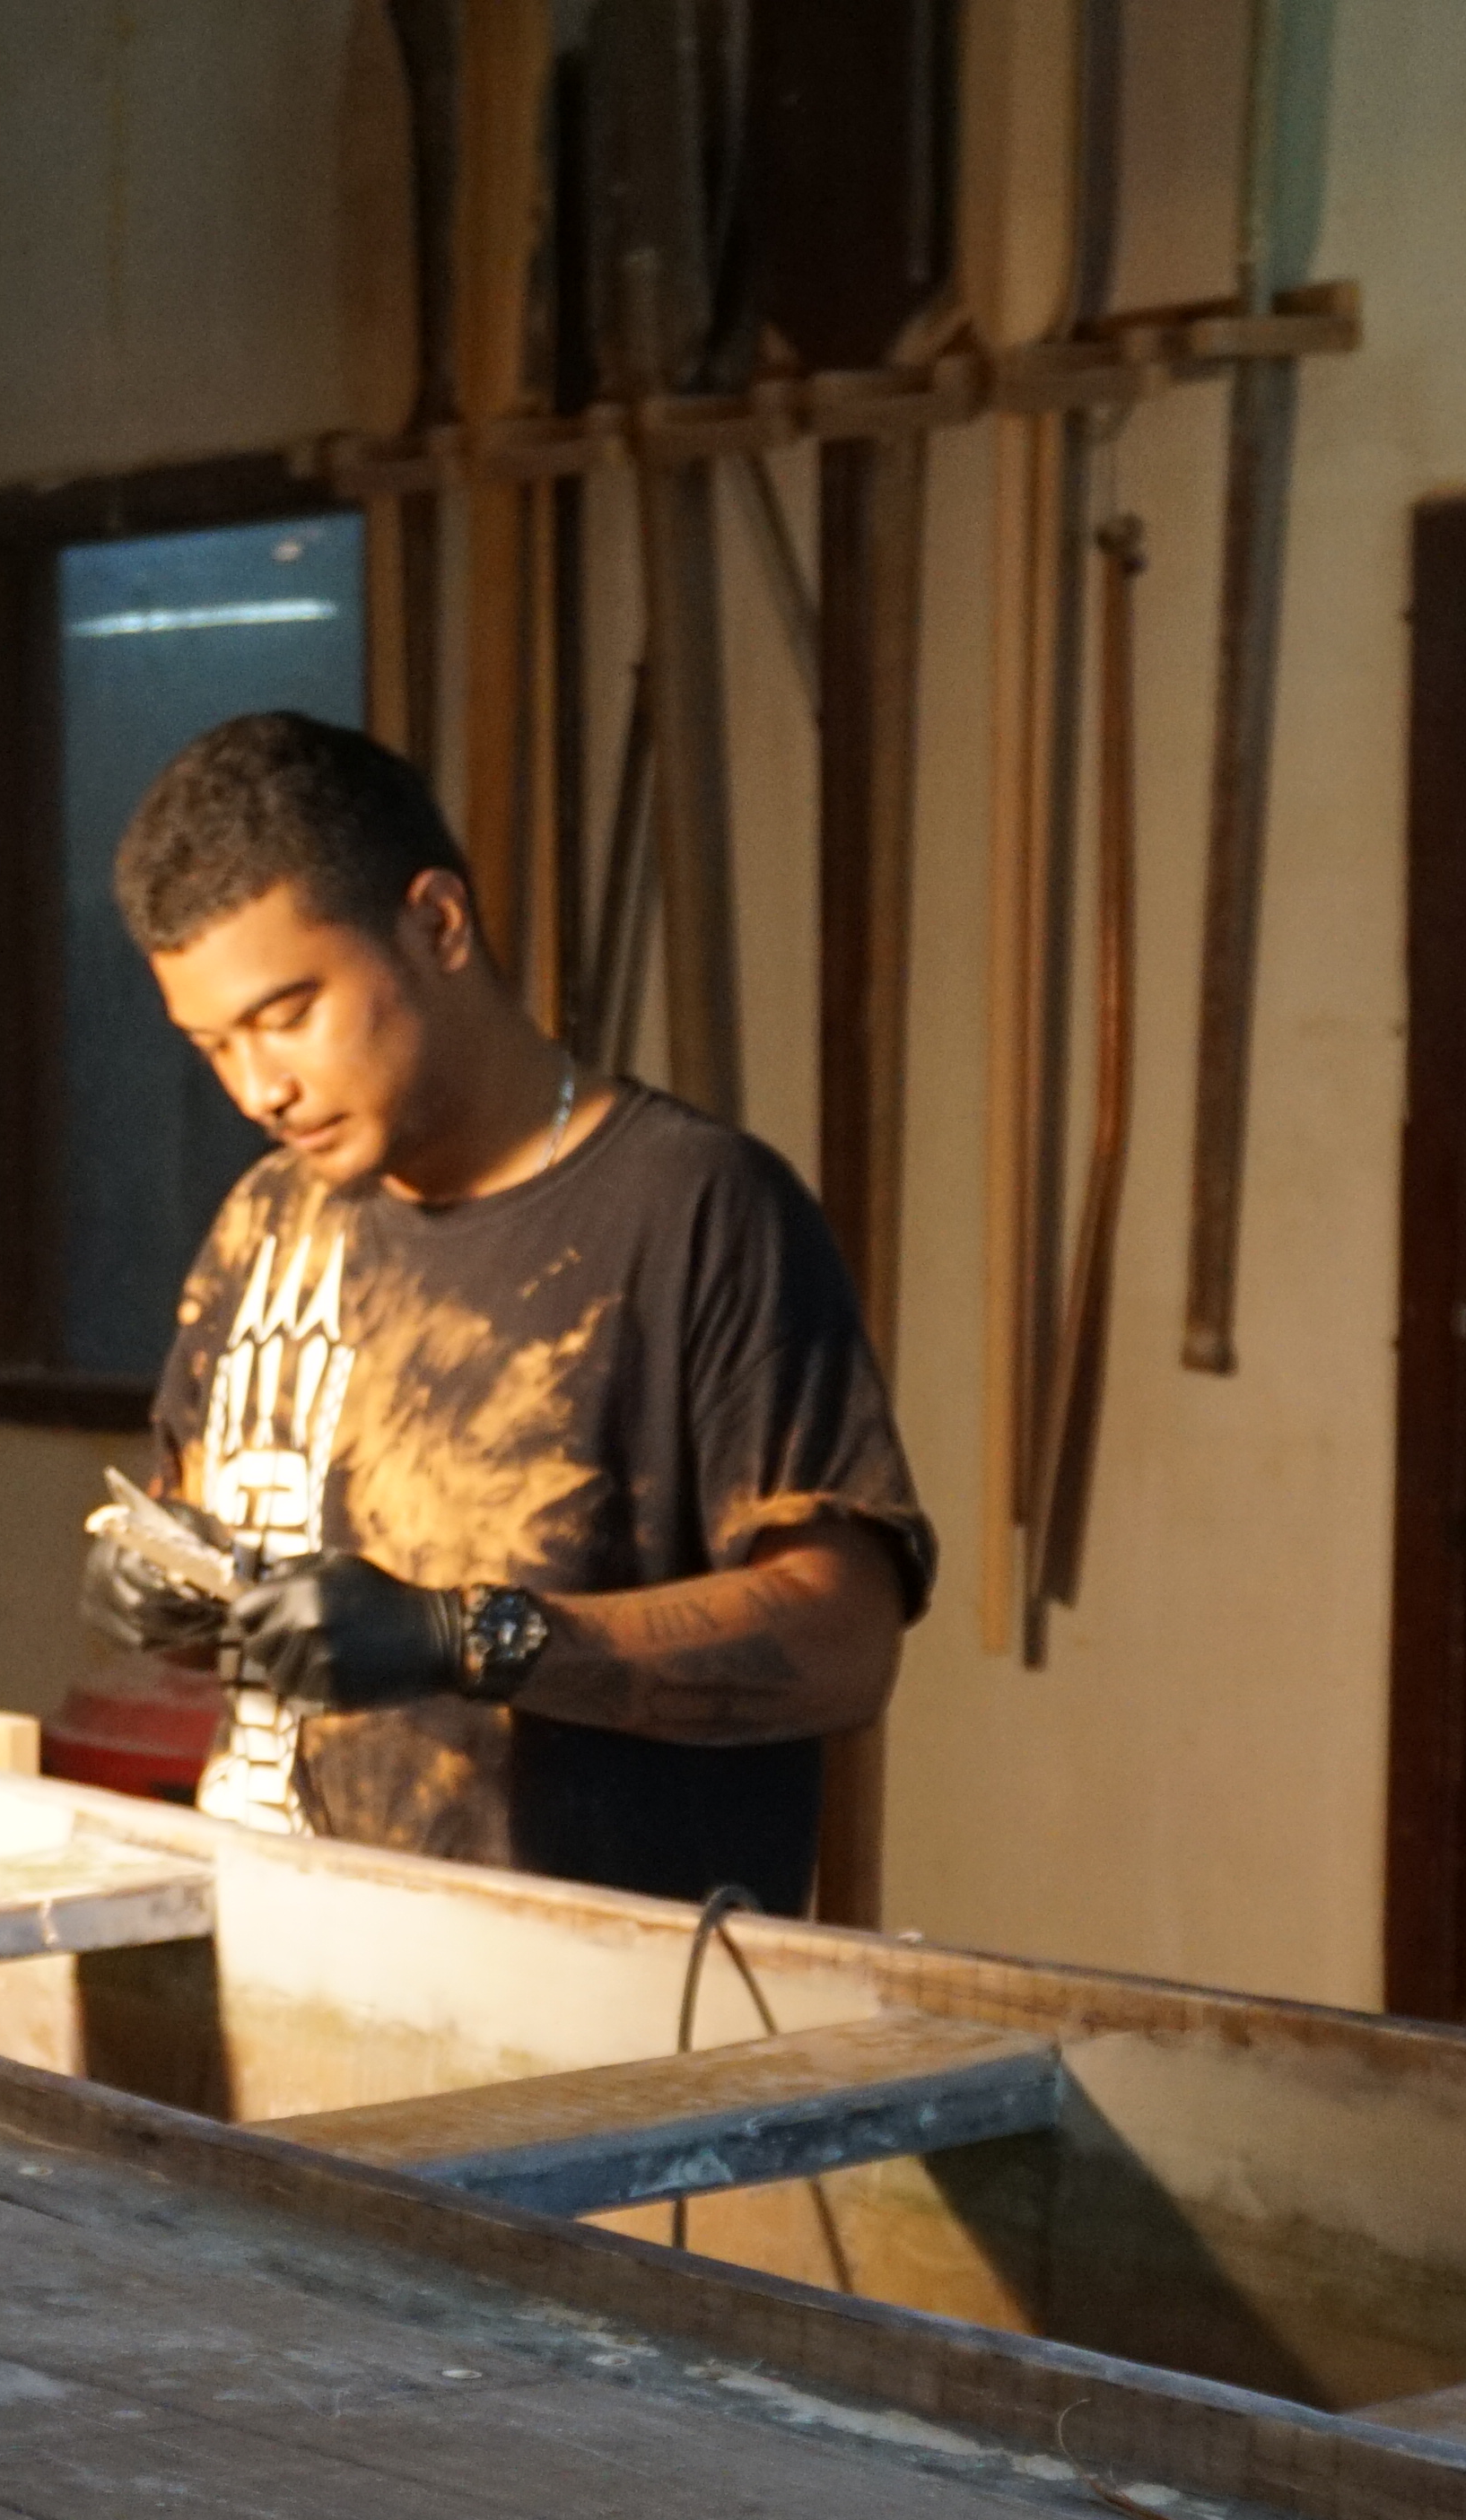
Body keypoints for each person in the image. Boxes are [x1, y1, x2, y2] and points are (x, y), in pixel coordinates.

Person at [79, 711, 931, 1910]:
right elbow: (207, 1525)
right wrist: (157, 1581)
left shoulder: (696, 1211)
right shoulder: (269, 1217)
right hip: (294, 1950)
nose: (257, 1088)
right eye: (213, 1044)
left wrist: (472, 1639)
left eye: (288, 1015)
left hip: (599, 2021)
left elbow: (845, 1645)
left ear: (435, 924)